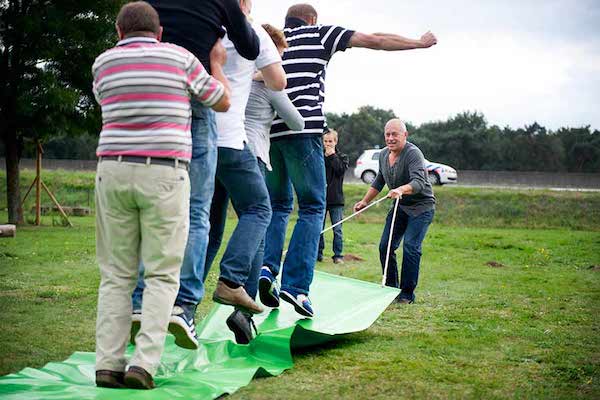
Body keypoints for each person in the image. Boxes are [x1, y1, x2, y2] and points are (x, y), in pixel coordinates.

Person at [260, 3, 438, 317]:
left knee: (278, 207)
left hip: (270, 135)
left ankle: (266, 269)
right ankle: (296, 287)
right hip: (303, 132)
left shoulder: (273, 43)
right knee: (313, 206)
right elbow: (376, 39)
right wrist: (418, 43)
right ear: (312, 20)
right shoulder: (320, 34)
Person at [93, 1, 229, 390]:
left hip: (113, 170)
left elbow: (107, 102)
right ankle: (143, 364)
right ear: (160, 33)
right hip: (164, 172)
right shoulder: (181, 58)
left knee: (116, 275)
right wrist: (216, 62)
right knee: (162, 273)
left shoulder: (103, 63)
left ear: (119, 32)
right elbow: (221, 99)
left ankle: (107, 364)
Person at [131, 0, 260, 351]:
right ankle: (182, 305)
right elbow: (250, 46)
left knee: (153, 207)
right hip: (197, 96)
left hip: (156, 100)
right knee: (197, 210)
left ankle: (141, 302)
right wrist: (237, 22)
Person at [204, 2, 290, 345]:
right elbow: (279, 83)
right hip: (237, 143)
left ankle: (181, 303)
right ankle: (234, 284)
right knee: (259, 212)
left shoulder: (205, 28)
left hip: (200, 137)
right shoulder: (254, 35)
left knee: (207, 226)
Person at [354, 119, 435, 305]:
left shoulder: (413, 154)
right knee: (385, 246)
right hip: (400, 207)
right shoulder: (383, 154)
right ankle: (391, 288)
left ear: (404, 135)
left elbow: (419, 183)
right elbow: (379, 181)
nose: (390, 138)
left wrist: (401, 189)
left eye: (394, 134)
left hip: (421, 207)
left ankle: (406, 295)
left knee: (411, 248)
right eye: (387, 134)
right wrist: (365, 201)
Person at [318, 129, 349, 264]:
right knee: (319, 228)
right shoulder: (319, 157)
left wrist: (332, 156)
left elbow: (340, 170)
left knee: (337, 229)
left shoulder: (342, 157)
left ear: (335, 142)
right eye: (325, 141)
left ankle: (338, 255)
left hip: (336, 199)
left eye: (330, 141)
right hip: (321, 198)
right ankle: (318, 254)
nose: (328, 144)